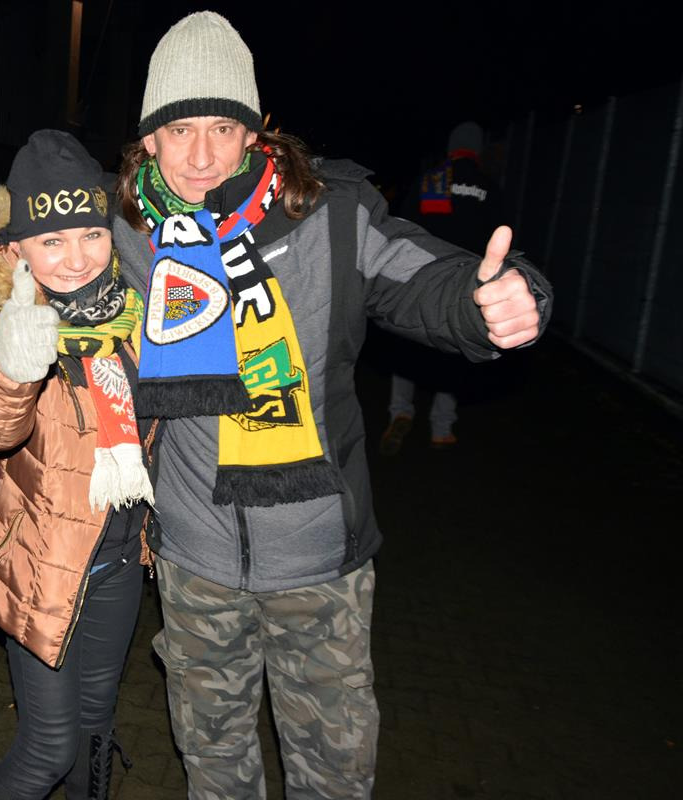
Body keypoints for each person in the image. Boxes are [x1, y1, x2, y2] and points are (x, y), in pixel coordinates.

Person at [108, 12, 551, 800]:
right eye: (179, 130)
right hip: (193, 562)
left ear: (254, 132)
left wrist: (497, 298)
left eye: (222, 128)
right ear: (148, 140)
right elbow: (30, 276)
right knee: (214, 771)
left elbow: (429, 278)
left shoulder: (331, 214)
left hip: (317, 566)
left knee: (333, 780)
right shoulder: (127, 234)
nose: (202, 156)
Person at [0, 130, 153, 799]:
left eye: (91, 234)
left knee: (96, 726)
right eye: (52, 240)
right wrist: (13, 364)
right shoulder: (9, 321)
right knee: (49, 748)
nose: (77, 257)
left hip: (120, 560)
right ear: (16, 250)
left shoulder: (134, 311)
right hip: (41, 564)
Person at [380, 120, 501, 453]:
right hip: (465, 285)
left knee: (408, 345)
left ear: (451, 147)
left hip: (422, 278)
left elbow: (405, 229)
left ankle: (400, 412)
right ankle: (441, 428)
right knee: (452, 353)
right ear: (477, 149)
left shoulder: (431, 180)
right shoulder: (488, 186)